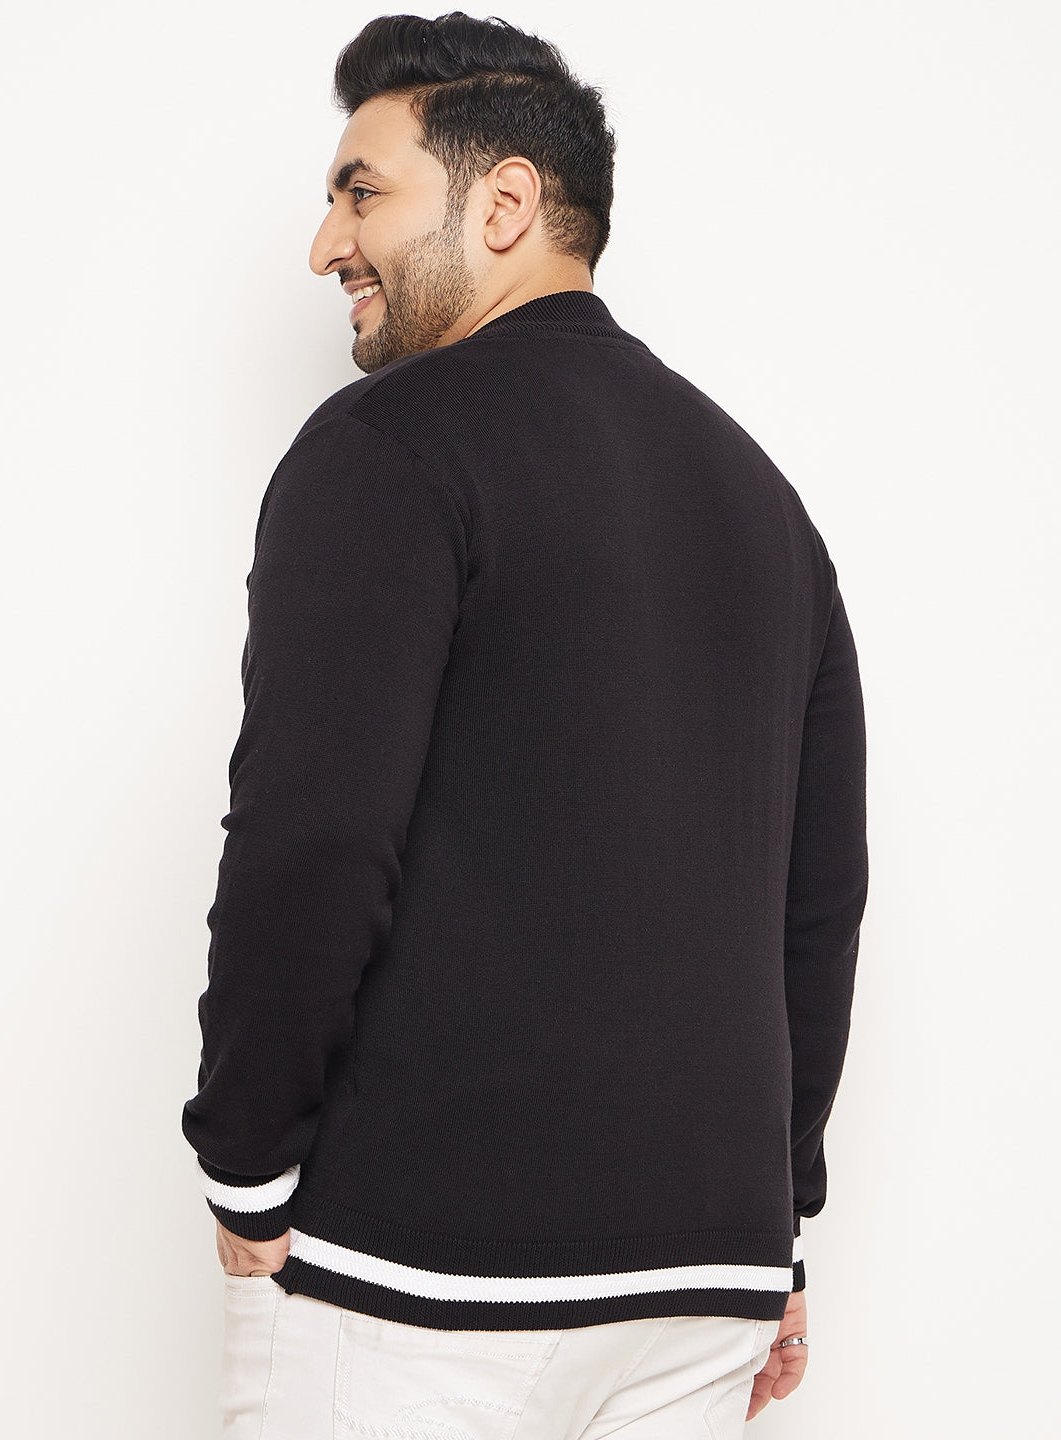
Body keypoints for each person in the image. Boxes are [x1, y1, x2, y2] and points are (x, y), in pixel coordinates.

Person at [181, 11, 868, 1438]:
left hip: (420, 1286)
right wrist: (779, 1223)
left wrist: (244, 1166)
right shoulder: (764, 502)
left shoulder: (387, 449)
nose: (324, 245)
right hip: (704, 1288)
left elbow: (313, 838)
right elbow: (817, 903)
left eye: (361, 191)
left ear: (502, 203)